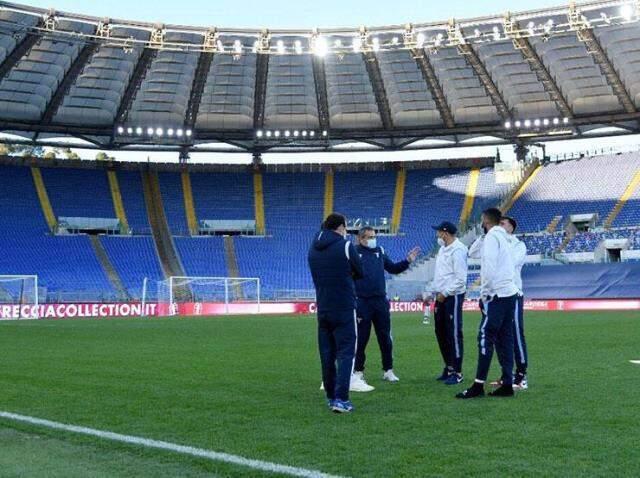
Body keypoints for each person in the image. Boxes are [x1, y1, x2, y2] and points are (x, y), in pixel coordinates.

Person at [456, 208, 518, 399]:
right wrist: (483, 237)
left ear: (485, 220)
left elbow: (489, 265)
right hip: (509, 293)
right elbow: (473, 252)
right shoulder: (503, 237)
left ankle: (478, 385)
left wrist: (485, 293)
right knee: (505, 338)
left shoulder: (493, 237)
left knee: (485, 337)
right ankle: (507, 383)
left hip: (497, 294)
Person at [351, 226, 420, 391]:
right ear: (360, 239)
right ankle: (359, 371)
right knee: (361, 339)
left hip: (380, 301)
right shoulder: (353, 252)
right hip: (362, 302)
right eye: (368, 237)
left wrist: (408, 261)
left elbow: (393, 269)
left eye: (374, 236)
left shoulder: (380, 251)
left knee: (385, 338)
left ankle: (388, 370)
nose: (372, 239)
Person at [308, 213, 363, 413]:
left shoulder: (313, 248)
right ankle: (342, 398)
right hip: (344, 307)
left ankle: (331, 397)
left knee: (327, 354)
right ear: (340, 227)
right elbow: (360, 270)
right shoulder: (346, 246)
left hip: (323, 307)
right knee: (346, 353)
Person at [431, 221, 468, 385]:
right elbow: (441, 274)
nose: (437, 234)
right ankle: (449, 366)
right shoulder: (444, 247)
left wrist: (445, 293)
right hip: (440, 295)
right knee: (441, 332)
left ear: (445, 233)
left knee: (453, 333)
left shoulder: (458, 250)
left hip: (452, 296)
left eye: (439, 231)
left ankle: (457, 371)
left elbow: (461, 280)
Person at [498, 215, 528, 390]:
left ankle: (522, 375)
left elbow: (511, 263)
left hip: (514, 294)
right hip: (499, 295)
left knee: (516, 334)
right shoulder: (495, 242)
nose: (500, 227)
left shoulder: (519, 245)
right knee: (501, 336)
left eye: (503, 224)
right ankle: (507, 375)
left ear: (511, 227)